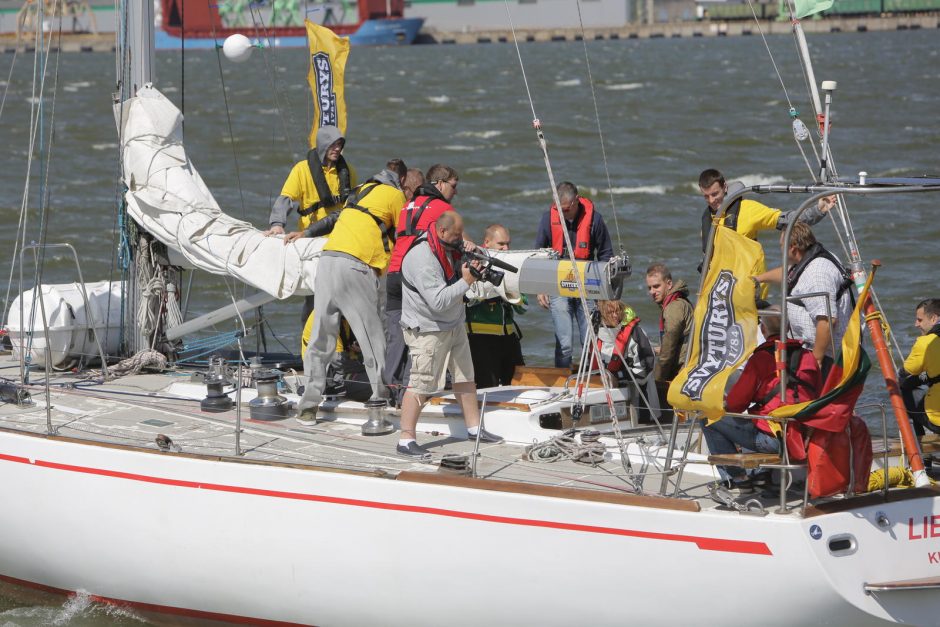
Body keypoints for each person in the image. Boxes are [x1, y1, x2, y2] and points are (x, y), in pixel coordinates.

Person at [294, 161, 408, 424]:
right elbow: (406, 234)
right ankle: (381, 400)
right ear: (400, 180)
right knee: (372, 337)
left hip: (327, 260)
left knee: (321, 337)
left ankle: (308, 406)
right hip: (355, 265)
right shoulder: (395, 194)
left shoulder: (358, 191)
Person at [397, 211, 503, 459]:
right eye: (456, 235)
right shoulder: (421, 259)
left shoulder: (447, 244)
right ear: (441, 231)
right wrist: (466, 281)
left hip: (453, 323)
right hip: (429, 329)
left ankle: (474, 429)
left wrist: (471, 248)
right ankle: (406, 439)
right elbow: (438, 301)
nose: (459, 239)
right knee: (422, 384)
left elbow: (482, 258)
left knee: (466, 376)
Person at [703, 305, 821, 494]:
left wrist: (722, 403)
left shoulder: (761, 358)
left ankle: (737, 479)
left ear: (763, 330)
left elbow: (736, 403)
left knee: (708, 418)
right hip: (801, 434)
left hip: (773, 439)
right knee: (760, 417)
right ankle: (761, 476)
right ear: (788, 327)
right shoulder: (809, 357)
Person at [265, 125, 357, 325]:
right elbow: (286, 199)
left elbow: (353, 206)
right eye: (333, 144)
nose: (337, 149)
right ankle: (308, 340)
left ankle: (343, 347)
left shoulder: (348, 171)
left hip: (339, 242)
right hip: (312, 242)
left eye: (340, 144)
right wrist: (277, 224)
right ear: (323, 144)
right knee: (314, 296)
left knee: (343, 296)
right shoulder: (302, 170)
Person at [384, 164, 459, 406]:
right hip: (413, 277)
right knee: (416, 338)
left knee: (395, 338)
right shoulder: (442, 208)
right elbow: (455, 239)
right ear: (440, 184)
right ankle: (409, 400)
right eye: (453, 186)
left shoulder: (407, 205)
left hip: (393, 272)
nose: (455, 192)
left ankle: (389, 392)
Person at [754, 222, 853, 379]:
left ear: (793, 248)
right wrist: (758, 279)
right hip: (807, 347)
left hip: (824, 356)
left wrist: (815, 363)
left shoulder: (816, 275)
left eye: (781, 246)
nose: (780, 250)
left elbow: (827, 322)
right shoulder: (810, 257)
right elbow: (789, 274)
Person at [697, 169, 833, 279]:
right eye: (706, 196)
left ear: (725, 187)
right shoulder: (707, 220)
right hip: (719, 289)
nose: (712, 200)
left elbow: (788, 220)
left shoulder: (748, 209)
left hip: (748, 286)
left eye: (715, 194)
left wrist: (818, 210)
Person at [534, 181, 614, 368]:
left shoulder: (595, 220)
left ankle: (590, 378)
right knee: (565, 344)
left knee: (590, 341)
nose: (563, 214)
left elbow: (605, 255)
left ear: (577, 201)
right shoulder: (548, 219)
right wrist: (540, 288)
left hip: (587, 286)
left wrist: (604, 293)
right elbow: (538, 254)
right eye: (559, 210)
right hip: (558, 286)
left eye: (567, 210)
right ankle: (563, 379)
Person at [465, 224, 526, 388]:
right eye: (501, 244)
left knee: (517, 383)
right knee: (486, 385)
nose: (506, 248)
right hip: (481, 337)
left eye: (508, 243)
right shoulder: (472, 265)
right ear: (487, 243)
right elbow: (468, 299)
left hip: (508, 335)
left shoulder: (511, 268)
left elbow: (523, 306)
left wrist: (510, 292)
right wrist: (490, 290)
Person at [591, 300, 660, 422]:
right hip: (610, 407)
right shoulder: (594, 334)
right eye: (609, 312)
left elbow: (645, 369)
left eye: (617, 311)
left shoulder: (636, 333)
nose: (615, 315)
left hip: (642, 405)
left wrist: (617, 377)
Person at [645, 263, 694, 413]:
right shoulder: (679, 301)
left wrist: (657, 381)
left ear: (669, 284)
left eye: (656, 286)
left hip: (684, 370)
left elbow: (668, 350)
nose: (652, 291)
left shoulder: (673, 308)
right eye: (649, 288)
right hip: (688, 364)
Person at [900, 298, 940, 442]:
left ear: (934, 318)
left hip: (937, 420)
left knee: (903, 388)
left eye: (920, 320)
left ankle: (922, 451)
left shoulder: (925, 342)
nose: (916, 324)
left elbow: (906, 370)